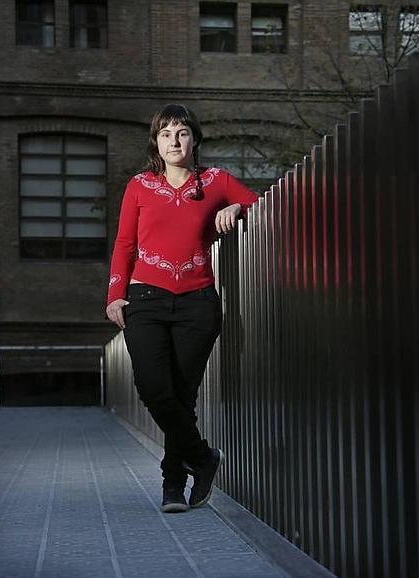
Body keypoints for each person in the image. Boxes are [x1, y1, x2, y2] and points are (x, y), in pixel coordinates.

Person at [106, 103, 259, 513]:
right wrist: (115, 293)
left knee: (183, 396)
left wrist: (236, 207)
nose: (175, 141)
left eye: (182, 133)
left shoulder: (216, 181)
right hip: (145, 300)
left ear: (195, 139)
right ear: (156, 142)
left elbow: (260, 206)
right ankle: (204, 457)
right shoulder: (140, 185)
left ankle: (173, 486)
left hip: (198, 303)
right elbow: (124, 243)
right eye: (166, 133)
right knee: (155, 389)